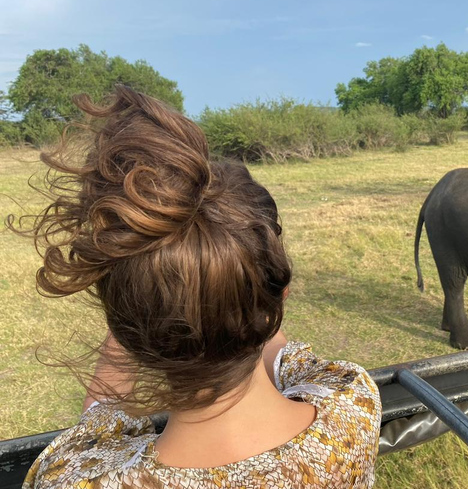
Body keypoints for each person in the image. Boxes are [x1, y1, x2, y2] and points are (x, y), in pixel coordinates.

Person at [15, 86, 381, 488]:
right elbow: (288, 356)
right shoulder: (351, 408)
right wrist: (235, 273)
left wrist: (147, 287)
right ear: (277, 297)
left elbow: (97, 424)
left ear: (126, 329)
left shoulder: (79, 479)